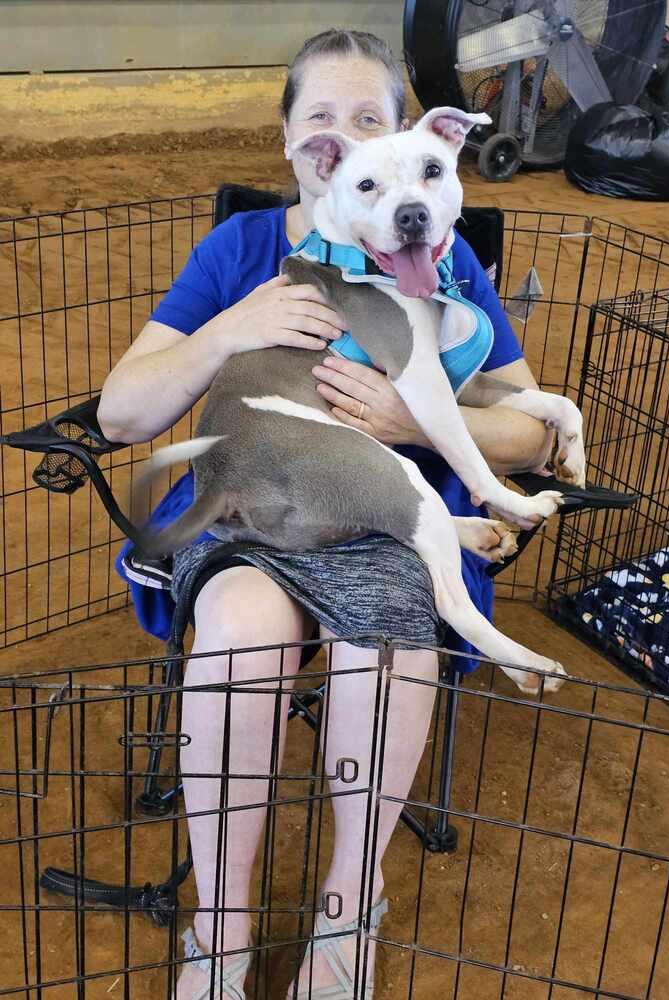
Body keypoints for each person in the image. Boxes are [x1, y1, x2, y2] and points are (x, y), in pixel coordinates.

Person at [97, 28, 553, 1000]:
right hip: (252, 507)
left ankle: (349, 911)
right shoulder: (244, 248)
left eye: (369, 121)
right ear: (296, 147)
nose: (344, 143)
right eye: (322, 123)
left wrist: (414, 419)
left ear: (403, 141)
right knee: (237, 628)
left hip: (380, 513)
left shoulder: (438, 252)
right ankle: (221, 926)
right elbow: (121, 411)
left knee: (382, 637)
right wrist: (231, 329)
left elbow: (530, 430)